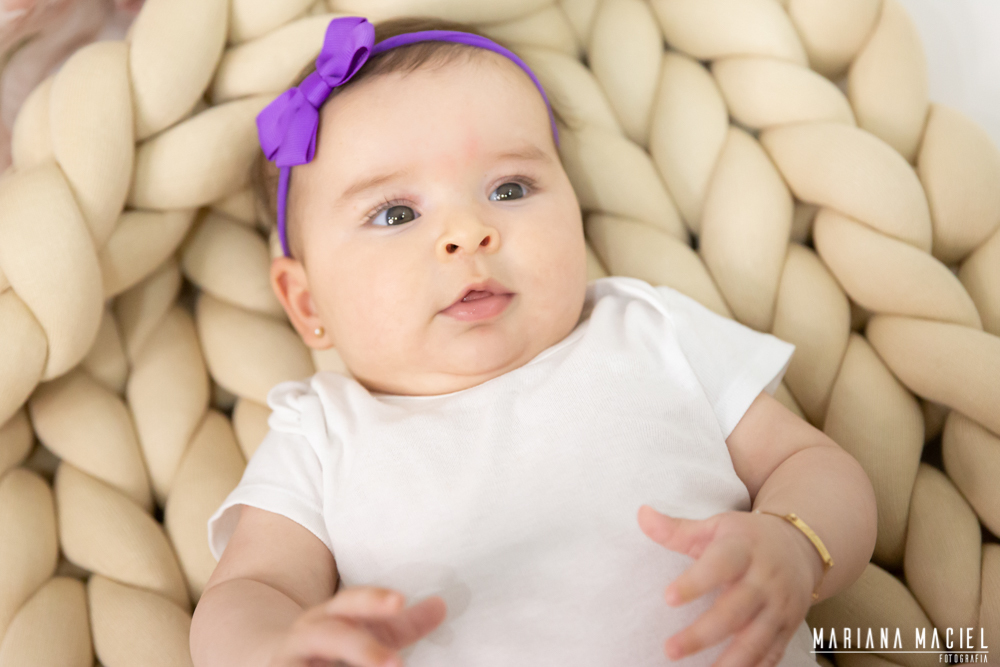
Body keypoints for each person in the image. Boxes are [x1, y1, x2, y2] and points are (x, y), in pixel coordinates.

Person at [189, 15, 877, 667]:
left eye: (510, 188)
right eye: (395, 213)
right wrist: (275, 648)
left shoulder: (648, 332)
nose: (468, 232)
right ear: (307, 302)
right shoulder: (321, 436)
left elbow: (813, 464)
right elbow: (250, 589)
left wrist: (795, 541)